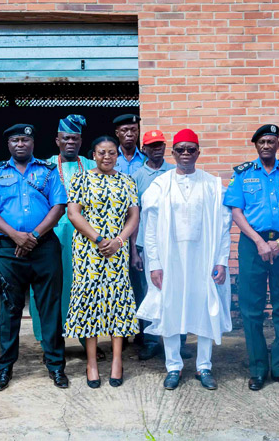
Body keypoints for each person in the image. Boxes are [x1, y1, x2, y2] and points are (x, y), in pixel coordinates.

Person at [136, 129, 232, 391]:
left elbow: (224, 227)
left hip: (204, 259)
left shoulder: (212, 185)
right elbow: (151, 229)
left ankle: (204, 366)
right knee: (170, 308)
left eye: (191, 149)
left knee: (204, 308)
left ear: (198, 152)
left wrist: (221, 260)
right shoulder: (160, 186)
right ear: (173, 153)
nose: (186, 154)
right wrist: (154, 263)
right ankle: (173, 366)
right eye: (181, 150)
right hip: (170, 259)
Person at [0, 124, 70, 391]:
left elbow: (59, 206)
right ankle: (5, 368)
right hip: (9, 249)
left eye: (25, 139)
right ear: (9, 144)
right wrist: (16, 236)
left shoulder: (48, 170)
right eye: (15, 140)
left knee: (50, 309)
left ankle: (56, 366)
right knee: (10, 311)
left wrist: (33, 236)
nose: (21, 144)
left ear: (33, 143)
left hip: (44, 248)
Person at [224, 124, 279, 392]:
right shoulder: (243, 175)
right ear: (256, 145)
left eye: (272, 141)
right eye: (263, 141)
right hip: (252, 245)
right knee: (251, 310)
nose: (267, 145)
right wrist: (260, 242)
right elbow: (236, 211)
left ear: (278, 145)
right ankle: (258, 370)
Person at [64, 135, 141, 389]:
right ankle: (92, 364)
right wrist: (98, 239)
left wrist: (118, 241)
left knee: (117, 302)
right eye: (101, 153)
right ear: (93, 155)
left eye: (111, 152)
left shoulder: (127, 181)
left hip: (117, 252)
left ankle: (118, 361)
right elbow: (73, 214)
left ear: (117, 155)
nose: (106, 157)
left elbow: (133, 216)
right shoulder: (81, 179)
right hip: (88, 251)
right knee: (89, 304)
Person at [29, 115, 97, 357]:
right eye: (66, 138)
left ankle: (87, 339)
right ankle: (50, 340)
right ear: (57, 140)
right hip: (51, 238)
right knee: (50, 288)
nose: (70, 142)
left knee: (85, 288)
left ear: (81, 141)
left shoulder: (91, 165)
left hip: (85, 240)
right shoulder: (43, 166)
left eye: (75, 138)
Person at [129, 129, 175, 360]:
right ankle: (150, 340)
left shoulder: (176, 173)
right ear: (144, 149)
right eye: (152, 146)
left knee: (175, 289)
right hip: (147, 244)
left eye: (160, 145)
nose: (157, 149)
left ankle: (177, 339)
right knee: (149, 291)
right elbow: (133, 217)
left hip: (174, 244)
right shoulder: (137, 177)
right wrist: (134, 249)